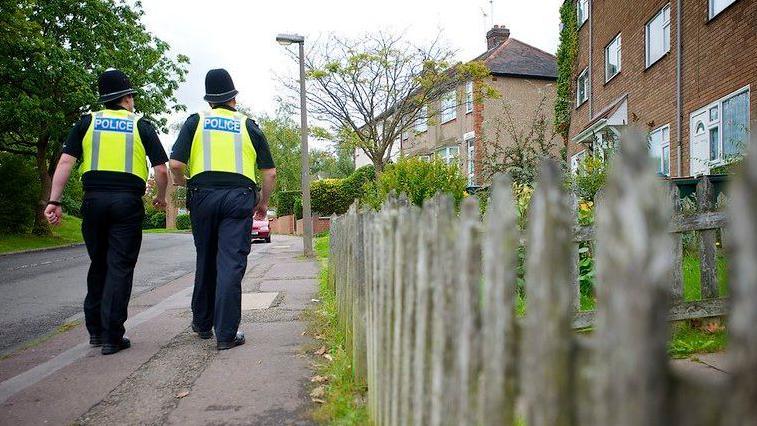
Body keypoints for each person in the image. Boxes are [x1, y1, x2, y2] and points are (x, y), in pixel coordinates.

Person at [45, 69, 169, 355]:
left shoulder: (87, 122)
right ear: (126, 98)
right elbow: (160, 169)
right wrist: (160, 198)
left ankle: (97, 333)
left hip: (93, 202)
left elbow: (65, 161)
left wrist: (55, 201)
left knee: (98, 263)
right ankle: (113, 336)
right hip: (126, 202)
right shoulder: (141, 125)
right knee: (120, 267)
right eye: (132, 96)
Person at [170, 68, 276, 350]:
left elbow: (176, 165)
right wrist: (263, 204)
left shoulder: (195, 122)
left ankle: (202, 324)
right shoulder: (249, 126)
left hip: (202, 196)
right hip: (238, 197)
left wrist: (185, 183)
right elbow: (270, 173)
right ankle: (226, 334)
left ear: (209, 101)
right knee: (230, 262)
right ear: (234, 98)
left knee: (205, 257)